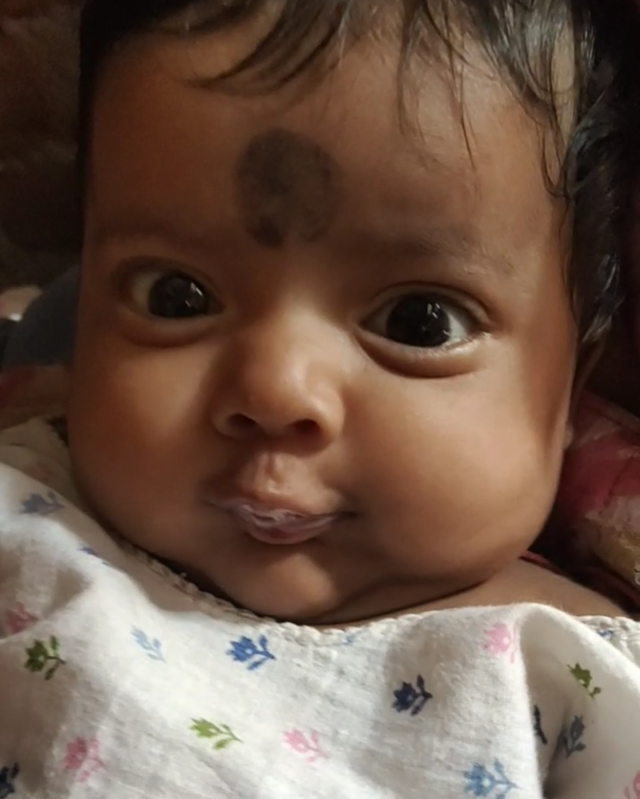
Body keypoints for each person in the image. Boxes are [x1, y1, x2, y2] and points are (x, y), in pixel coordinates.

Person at [1, 0, 640, 796]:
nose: (276, 390)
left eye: (419, 321)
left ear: (572, 381)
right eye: (175, 296)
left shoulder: (585, 674)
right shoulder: (27, 512)